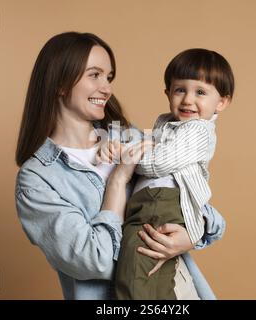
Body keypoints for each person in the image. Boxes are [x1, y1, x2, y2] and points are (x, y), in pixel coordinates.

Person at [15, 32, 224, 300]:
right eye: (94, 75)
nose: (107, 88)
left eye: (108, 77)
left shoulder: (131, 138)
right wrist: (117, 180)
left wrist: (190, 236)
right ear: (60, 83)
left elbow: (206, 214)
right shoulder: (38, 180)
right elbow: (95, 261)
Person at [115, 48, 233, 300]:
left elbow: (157, 164)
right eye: (180, 90)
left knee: (138, 270)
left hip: (162, 201)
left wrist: (128, 158)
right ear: (168, 92)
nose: (188, 100)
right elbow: (146, 147)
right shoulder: (168, 123)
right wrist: (123, 147)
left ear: (221, 102)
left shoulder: (199, 130)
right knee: (147, 271)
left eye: (200, 92)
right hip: (149, 202)